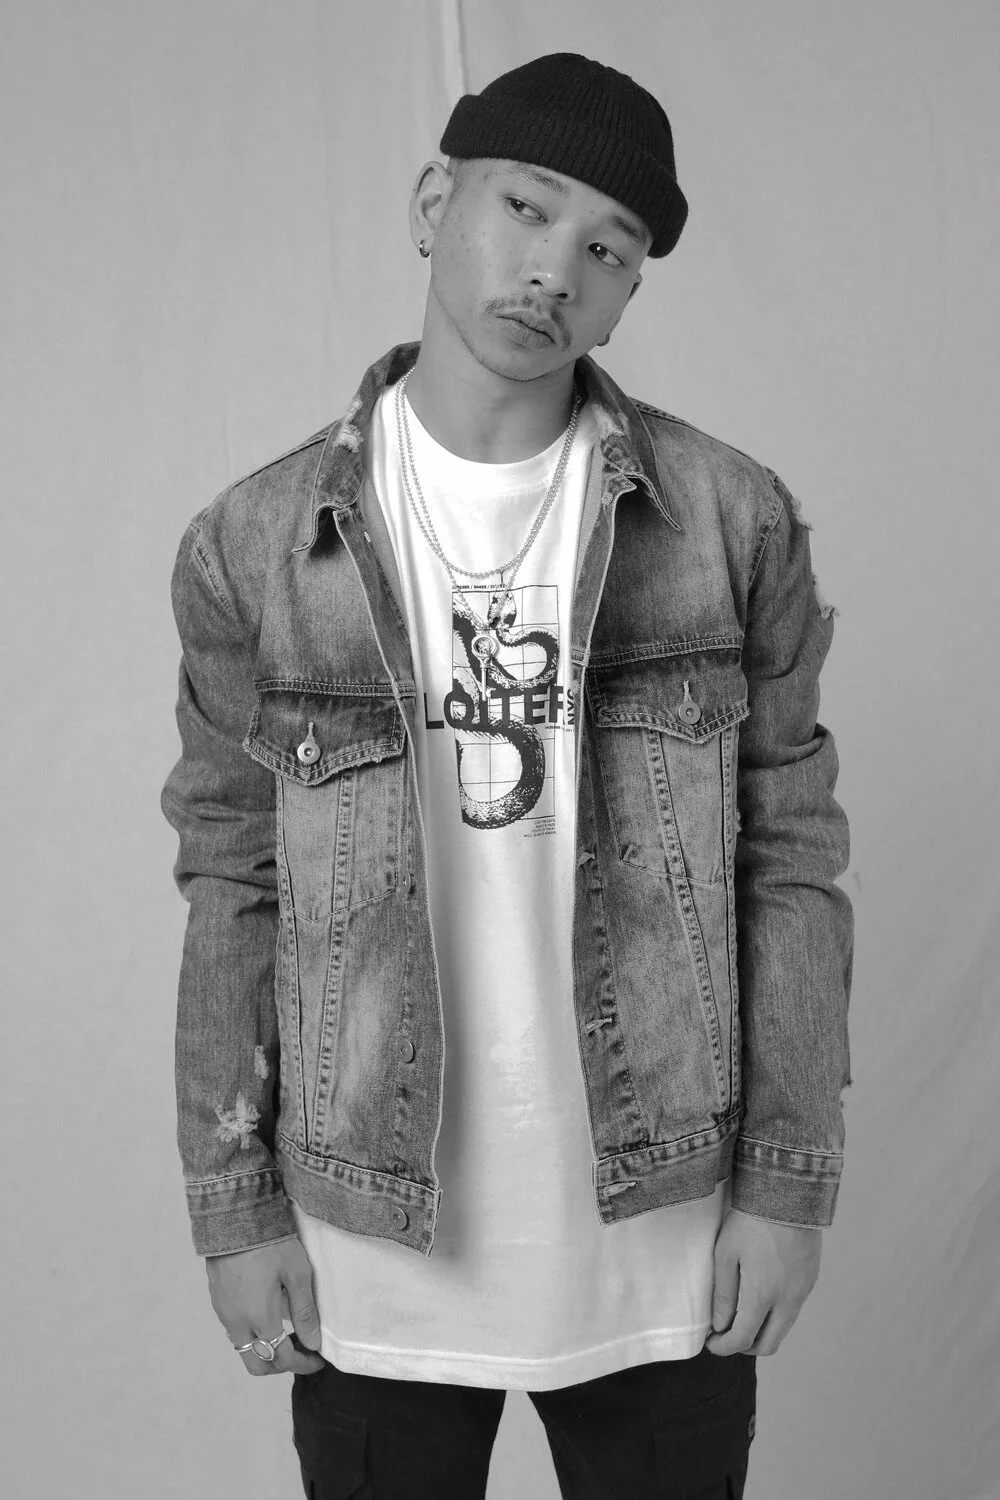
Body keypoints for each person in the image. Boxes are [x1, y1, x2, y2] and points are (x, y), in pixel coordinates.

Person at [161, 51, 853, 1500]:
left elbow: (788, 856)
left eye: (606, 249)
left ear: (630, 293)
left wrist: (786, 1192)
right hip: (372, 1248)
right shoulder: (257, 545)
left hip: (659, 1242)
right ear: (435, 204)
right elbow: (233, 879)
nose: (554, 271)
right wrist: (234, 1215)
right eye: (526, 210)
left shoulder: (730, 522)